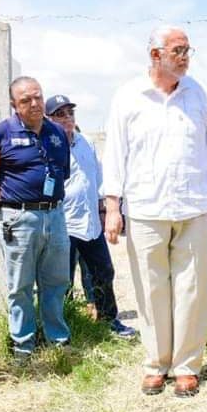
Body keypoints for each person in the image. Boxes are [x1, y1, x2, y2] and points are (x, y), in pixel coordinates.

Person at [103, 25, 207, 397]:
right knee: (151, 288)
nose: (186, 57)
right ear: (155, 55)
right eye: (178, 50)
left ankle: (187, 366)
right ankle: (157, 363)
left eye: (189, 50)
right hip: (145, 206)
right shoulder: (128, 97)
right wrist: (113, 206)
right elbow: (115, 156)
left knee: (191, 287)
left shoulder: (198, 94)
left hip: (193, 205)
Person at [0, 77, 73, 359]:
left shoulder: (57, 133)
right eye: (25, 100)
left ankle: (57, 341)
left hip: (55, 215)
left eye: (38, 97)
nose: (34, 103)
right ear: (14, 105)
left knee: (56, 281)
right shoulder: (0, 133)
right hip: (19, 218)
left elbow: (64, 171)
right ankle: (23, 347)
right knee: (20, 285)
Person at [45, 93, 136, 339]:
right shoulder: (46, 145)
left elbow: (98, 180)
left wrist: (106, 213)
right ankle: (64, 325)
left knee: (103, 271)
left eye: (70, 113)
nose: (67, 119)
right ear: (48, 119)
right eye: (60, 115)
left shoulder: (85, 142)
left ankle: (109, 320)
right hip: (63, 223)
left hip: (90, 222)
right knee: (62, 279)